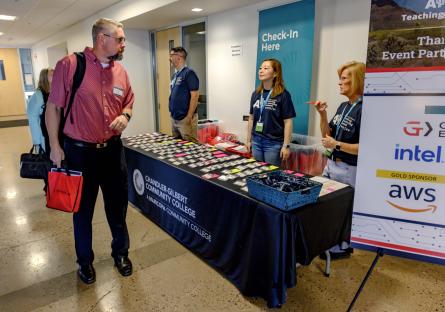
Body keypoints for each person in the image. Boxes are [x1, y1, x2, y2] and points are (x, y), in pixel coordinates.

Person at [45, 18, 135, 284]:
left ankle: (121, 252)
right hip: (80, 152)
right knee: (82, 211)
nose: (123, 43)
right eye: (119, 39)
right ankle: (85, 262)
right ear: (101, 38)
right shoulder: (70, 65)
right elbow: (54, 108)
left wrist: (126, 116)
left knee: (117, 207)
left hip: (112, 151)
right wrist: (54, 145)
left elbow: (129, 100)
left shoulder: (121, 71)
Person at [312, 60, 365, 259]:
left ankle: (342, 247)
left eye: (344, 79)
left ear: (357, 81)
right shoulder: (344, 106)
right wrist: (323, 115)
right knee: (329, 208)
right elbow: (328, 136)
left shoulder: (364, 109)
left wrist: (337, 145)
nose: (339, 83)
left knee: (342, 211)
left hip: (349, 169)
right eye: (339, 79)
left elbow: (364, 149)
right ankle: (329, 242)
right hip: (332, 165)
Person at [246, 58, 296, 166]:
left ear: (275, 74)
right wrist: (248, 140)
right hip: (256, 141)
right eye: (260, 68)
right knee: (257, 173)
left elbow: (288, 122)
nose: (261, 70)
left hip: (273, 143)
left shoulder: (283, 95)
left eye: (265, 68)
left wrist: (286, 146)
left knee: (270, 175)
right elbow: (251, 118)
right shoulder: (256, 94)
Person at [169, 46, 199, 142]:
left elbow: (195, 96)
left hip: (185, 119)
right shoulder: (176, 75)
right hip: (175, 118)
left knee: (190, 148)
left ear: (178, 57)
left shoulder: (189, 73)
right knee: (177, 148)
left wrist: (189, 117)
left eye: (171, 55)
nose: (170, 58)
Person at [27, 68, 53, 155]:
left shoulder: (55, 93)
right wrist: (37, 142)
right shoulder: (38, 96)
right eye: (52, 75)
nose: (56, 76)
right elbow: (33, 120)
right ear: (45, 78)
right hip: (43, 139)